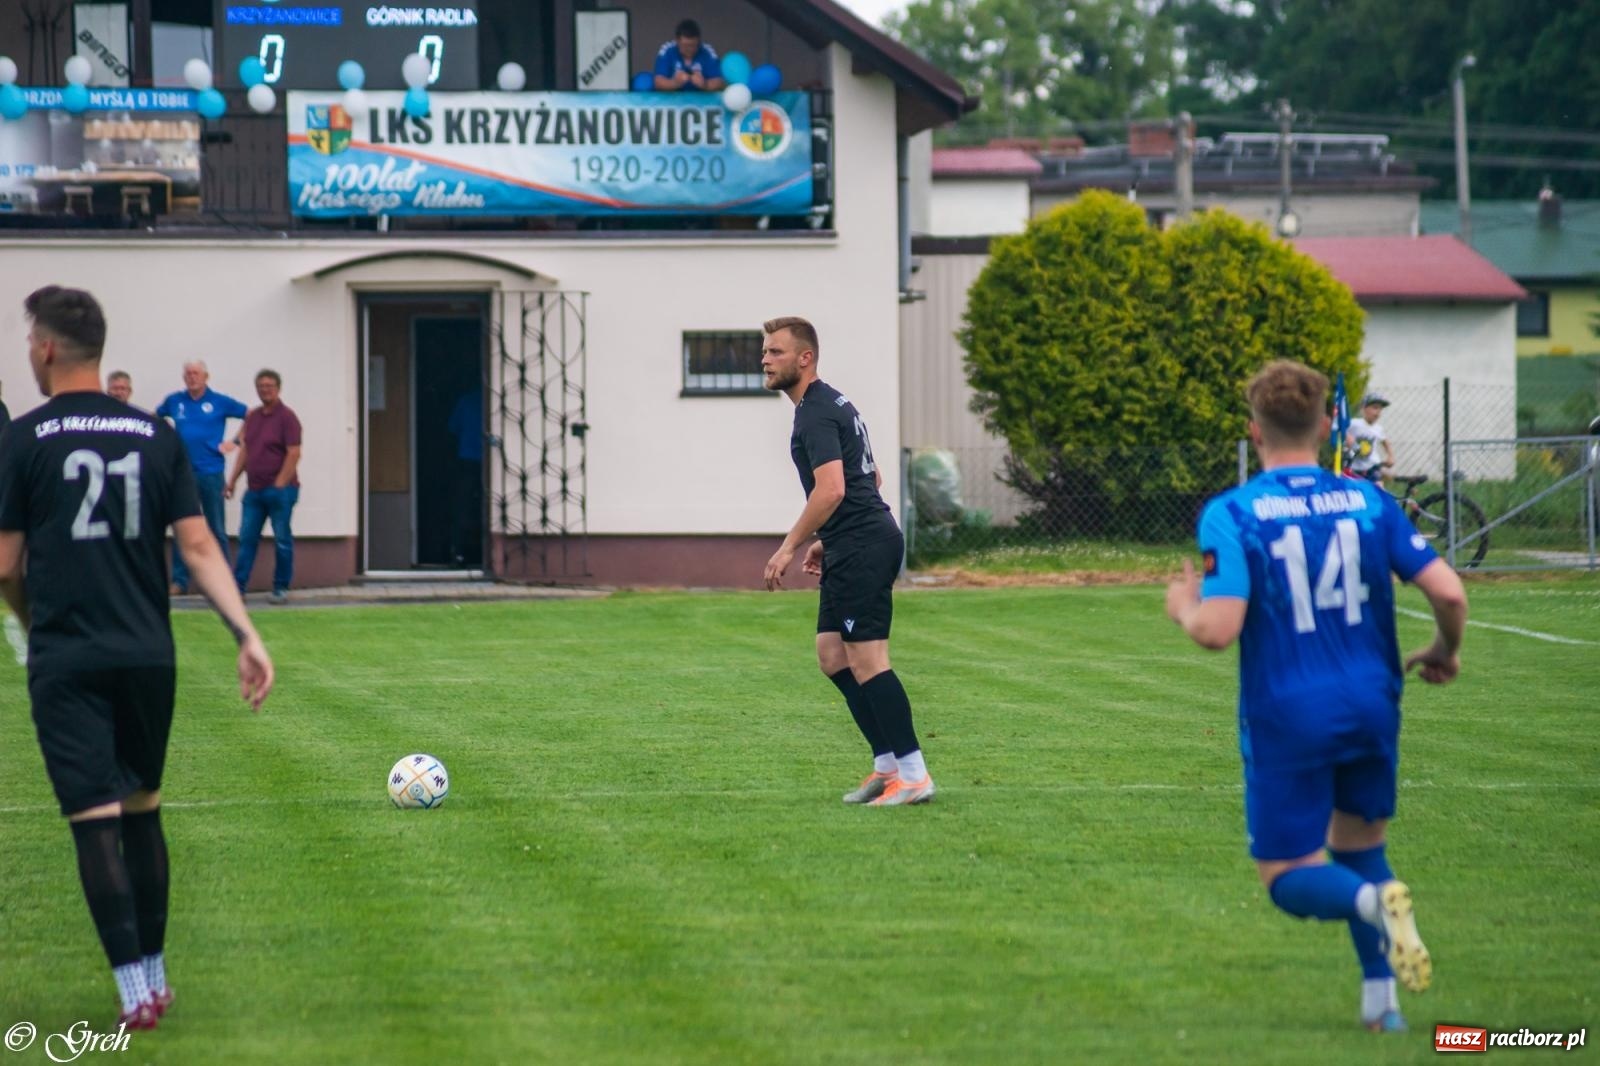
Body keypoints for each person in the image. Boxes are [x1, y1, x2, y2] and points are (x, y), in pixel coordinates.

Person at [1165, 360, 1468, 1034]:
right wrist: (1445, 651)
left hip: (1288, 711)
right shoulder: (1369, 501)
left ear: (1253, 429)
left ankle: (1370, 904)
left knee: (1286, 877)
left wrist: (1184, 607)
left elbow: (1219, 630)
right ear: (1329, 423)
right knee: (1360, 845)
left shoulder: (1234, 513)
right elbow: (1448, 590)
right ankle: (1381, 1005)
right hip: (1372, 704)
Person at [0, 285, 273, 1031]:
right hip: (147, 654)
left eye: (29, 341)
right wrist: (245, 633)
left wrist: (33, 623)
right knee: (144, 813)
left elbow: (4, 564)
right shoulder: (153, 434)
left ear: (48, 348)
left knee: (95, 822)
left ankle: (132, 990)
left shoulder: (21, 440)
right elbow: (196, 545)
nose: (28, 351)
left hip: (70, 655)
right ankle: (154, 972)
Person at [760, 316, 933, 806]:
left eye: (775, 352)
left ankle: (915, 774)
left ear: (804, 358)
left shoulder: (815, 412)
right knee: (832, 655)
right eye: (766, 351)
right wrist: (825, 537)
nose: (765, 360)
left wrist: (791, 544)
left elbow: (833, 487)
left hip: (863, 545)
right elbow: (870, 479)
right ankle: (886, 767)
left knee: (868, 660)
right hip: (850, 540)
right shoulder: (831, 404)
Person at [155, 361, 247, 594]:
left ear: (206, 376)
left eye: (196, 373)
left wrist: (234, 442)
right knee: (182, 527)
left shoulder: (219, 402)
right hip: (182, 474)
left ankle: (223, 580)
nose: (192, 377)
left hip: (211, 473)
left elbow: (252, 416)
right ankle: (179, 581)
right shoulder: (175, 401)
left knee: (215, 528)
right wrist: (166, 440)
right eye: (187, 374)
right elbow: (155, 418)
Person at [226, 369, 302, 604]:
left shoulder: (288, 417)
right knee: (246, 539)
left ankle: (280, 588)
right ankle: (238, 588)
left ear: (278, 388)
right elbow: (245, 451)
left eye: (269, 386)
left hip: (281, 490)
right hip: (255, 491)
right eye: (261, 386)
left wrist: (280, 483)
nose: (265, 390)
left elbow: (294, 453)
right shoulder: (253, 417)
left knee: (281, 540)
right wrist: (232, 481)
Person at [446, 386, 483, 567]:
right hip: (489, 460)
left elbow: (453, 428)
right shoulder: (490, 400)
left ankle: (460, 554)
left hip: (467, 459)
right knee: (487, 507)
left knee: (464, 506)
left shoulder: (466, 401)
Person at [653, 19, 727, 92]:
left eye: (693, 45)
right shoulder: (667, 50)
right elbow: (658, 82)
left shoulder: (707, 51)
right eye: (686, 46)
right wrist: (674, 83)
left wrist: (705, 84)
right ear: (677, 41)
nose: (690, 49)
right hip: (672, 101)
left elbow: (719, 82)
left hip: (702, 101)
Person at [1346, 392, 1394, 482]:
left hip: (1372, 466)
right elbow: (1339, 429)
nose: (1378, 412)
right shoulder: (1354, 423)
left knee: (1378, 488)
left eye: (1380, 409)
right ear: (1364, 409)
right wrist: (1347, 437)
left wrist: (1390, 456)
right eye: (1375, 408)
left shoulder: (1378, 429)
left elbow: (1385, 442)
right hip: (1354, 467)